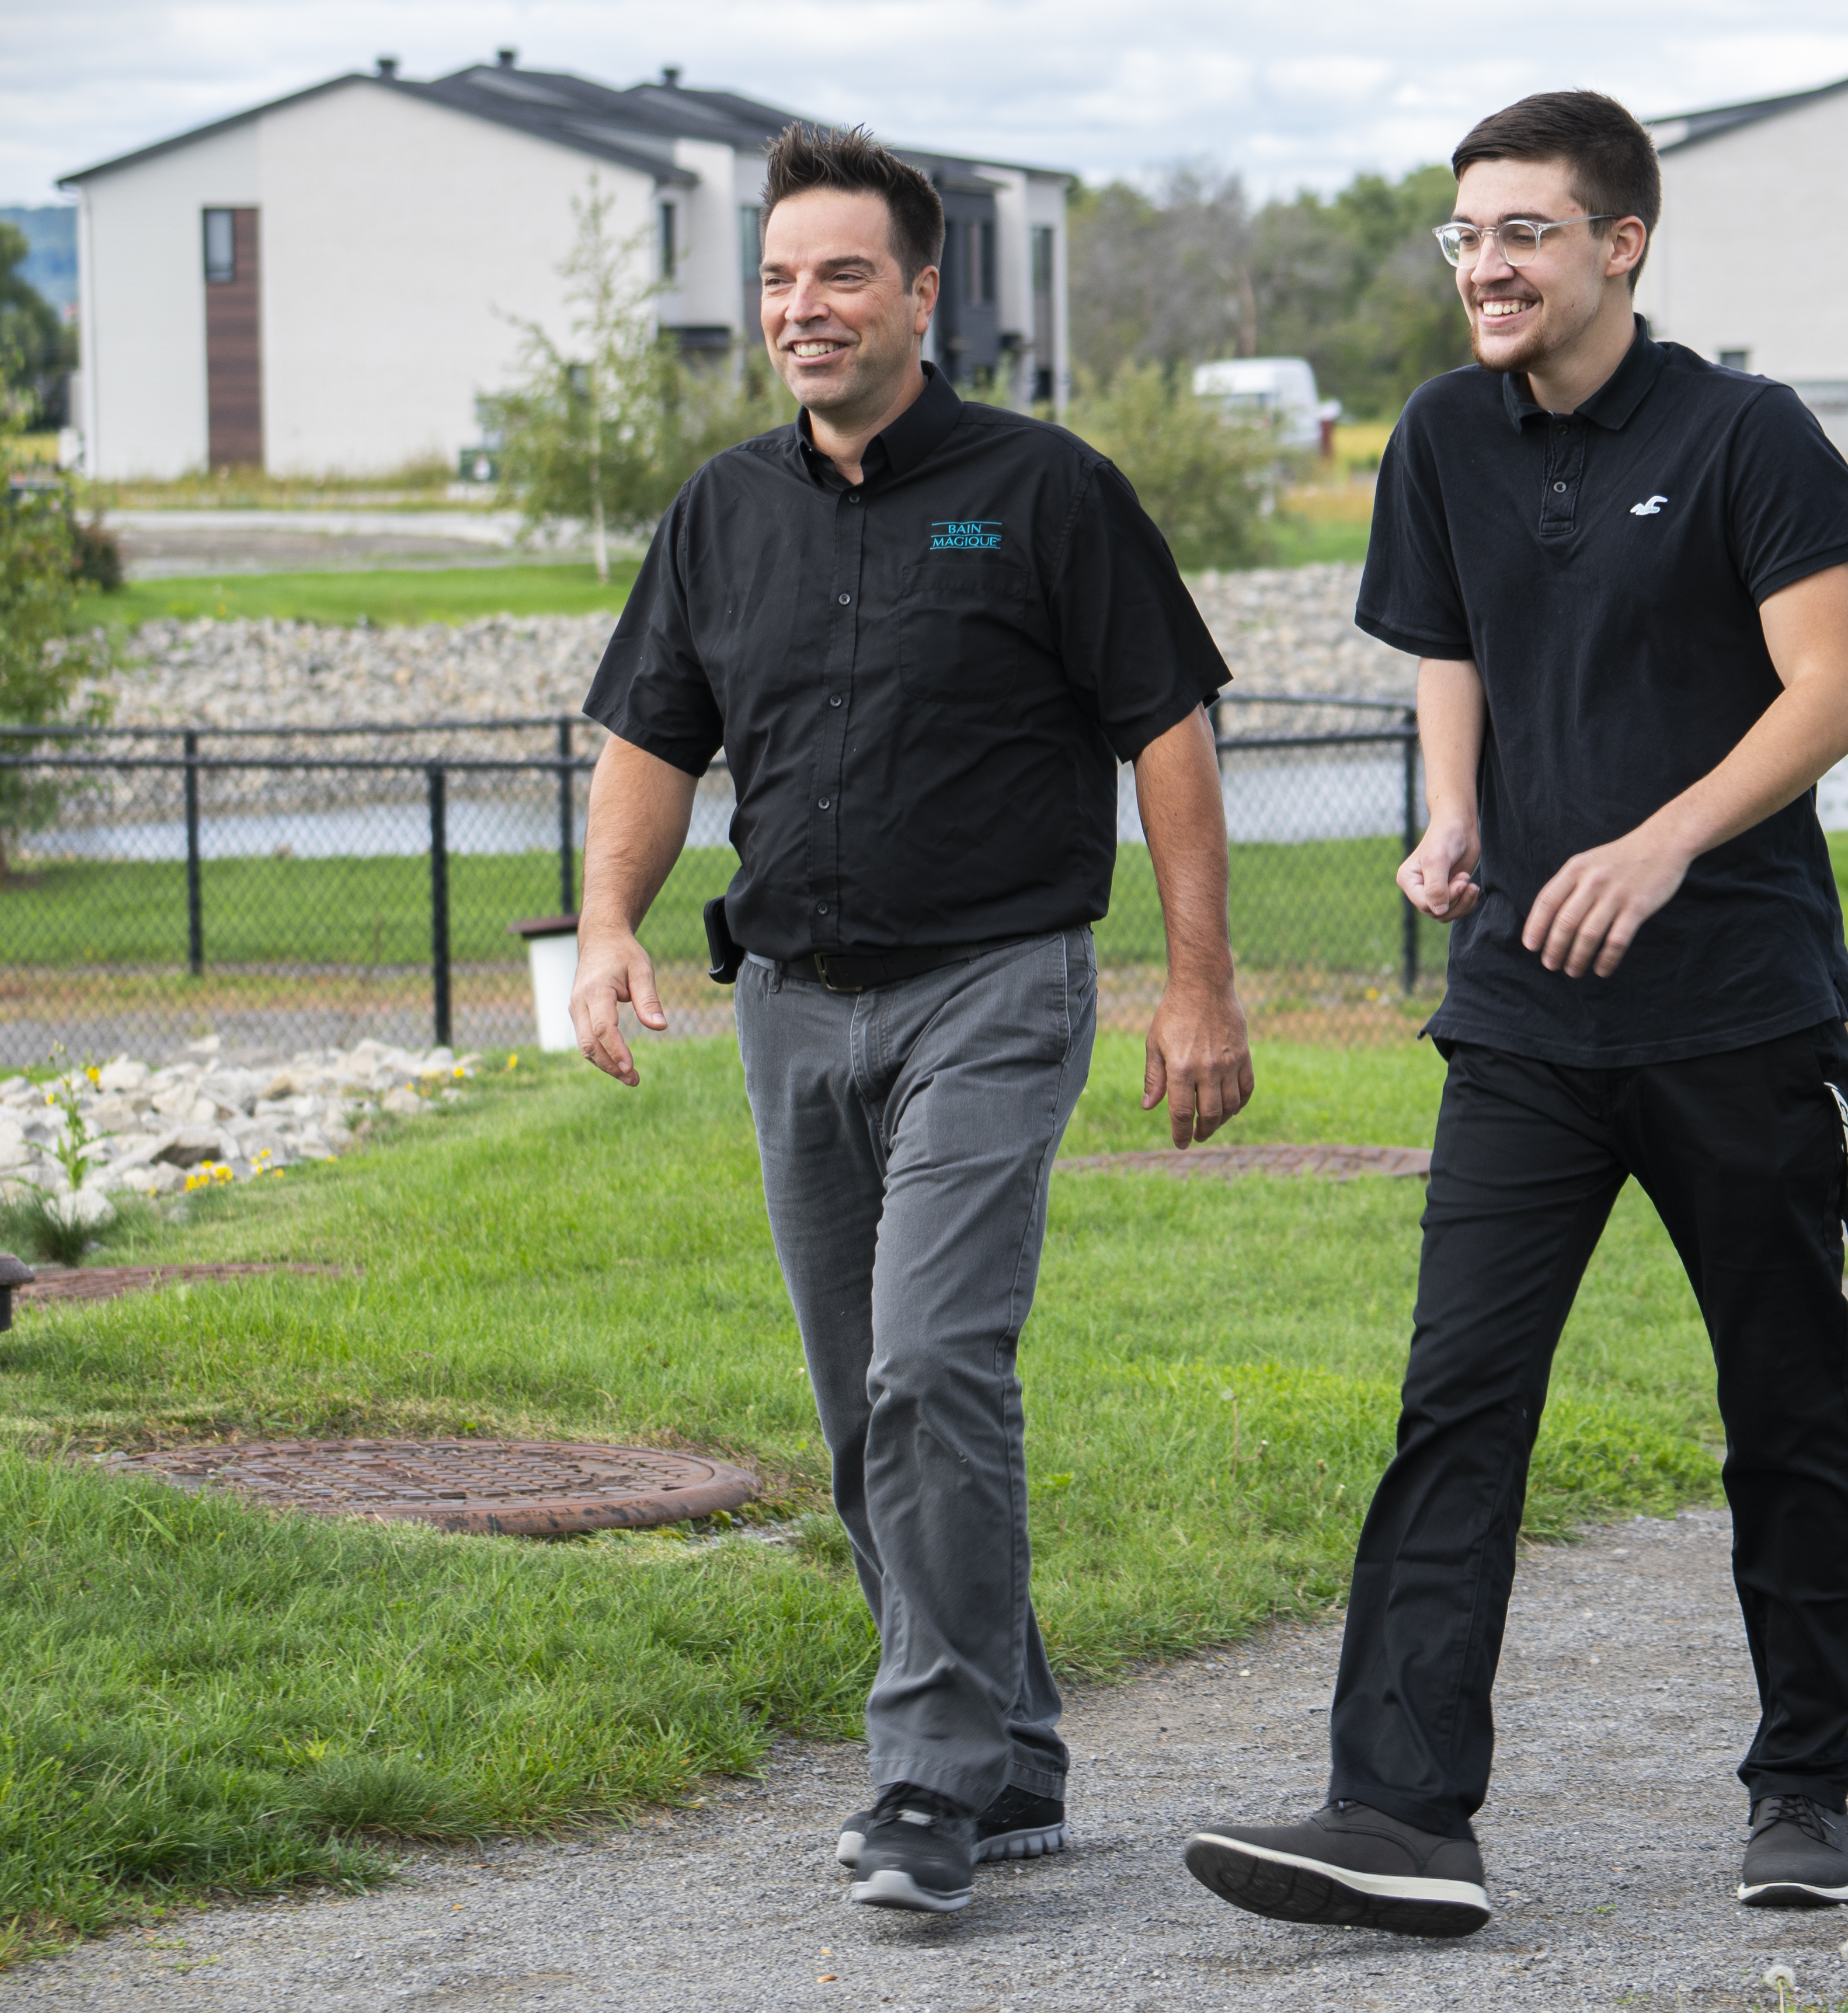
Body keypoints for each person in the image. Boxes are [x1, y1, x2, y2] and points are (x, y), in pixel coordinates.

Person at [1183, 88, 1848, 1935]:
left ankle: (1802, 1786)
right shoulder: (1438, 435)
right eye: (1465, 238)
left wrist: (1658, 845)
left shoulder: (1747, 435)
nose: (1485, 268)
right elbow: (1458, 645)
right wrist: (1453, 815)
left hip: (1736, 1003)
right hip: (1522, 1018)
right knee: (1459, 1399)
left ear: (1621, 245)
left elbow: (1830, 696)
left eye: (1523, 234)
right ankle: (1401, 1813)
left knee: (1787, 1393)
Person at [573, 123, 1255, 1918]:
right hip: (791, 1004)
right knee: (859, 1405)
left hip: (993, 990)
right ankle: (1015, 1752)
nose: (804, 308)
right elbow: (653, 741)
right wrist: (603, 931)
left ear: (924, 294)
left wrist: (1200, 985)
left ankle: (928, 1785)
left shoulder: (1046, 491)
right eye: (780, 279)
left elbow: (1166, 736)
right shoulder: (723, 510)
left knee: (932, 1363)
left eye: (842, 274)